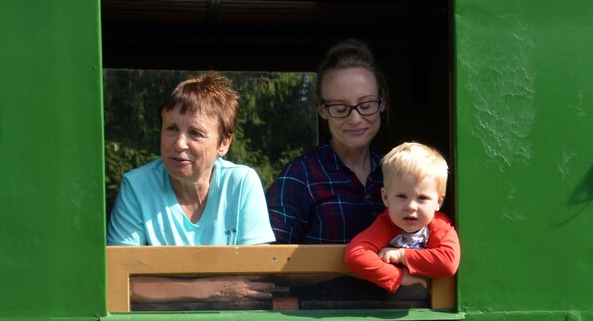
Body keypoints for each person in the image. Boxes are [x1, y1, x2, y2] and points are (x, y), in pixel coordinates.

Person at [107, 72, 275, 305]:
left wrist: (163, 288)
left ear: (224, 143)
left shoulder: (242, 182)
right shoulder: (137, 186)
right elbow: (119, 280)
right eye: (171, 129)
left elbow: (256, 277)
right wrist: (209, 289)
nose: (179, 143)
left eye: (195, 133)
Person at [267, 39, 388, 244]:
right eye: (340, 109)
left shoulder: (396, 170)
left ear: (382, 101)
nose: (355, 118)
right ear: (322, 109)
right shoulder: (299, 177)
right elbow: (270, 262)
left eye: (366, 105)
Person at [344, 142, 460, 294]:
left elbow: (448, 262)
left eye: (422, 198)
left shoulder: (439, 225)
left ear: (438, 202)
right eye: (401, 196)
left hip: (433, 302)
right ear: (385, 197)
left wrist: (401, 255)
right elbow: (356, 255)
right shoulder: (386, 224)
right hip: (393, 304)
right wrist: (398, 276)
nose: (411, 206)